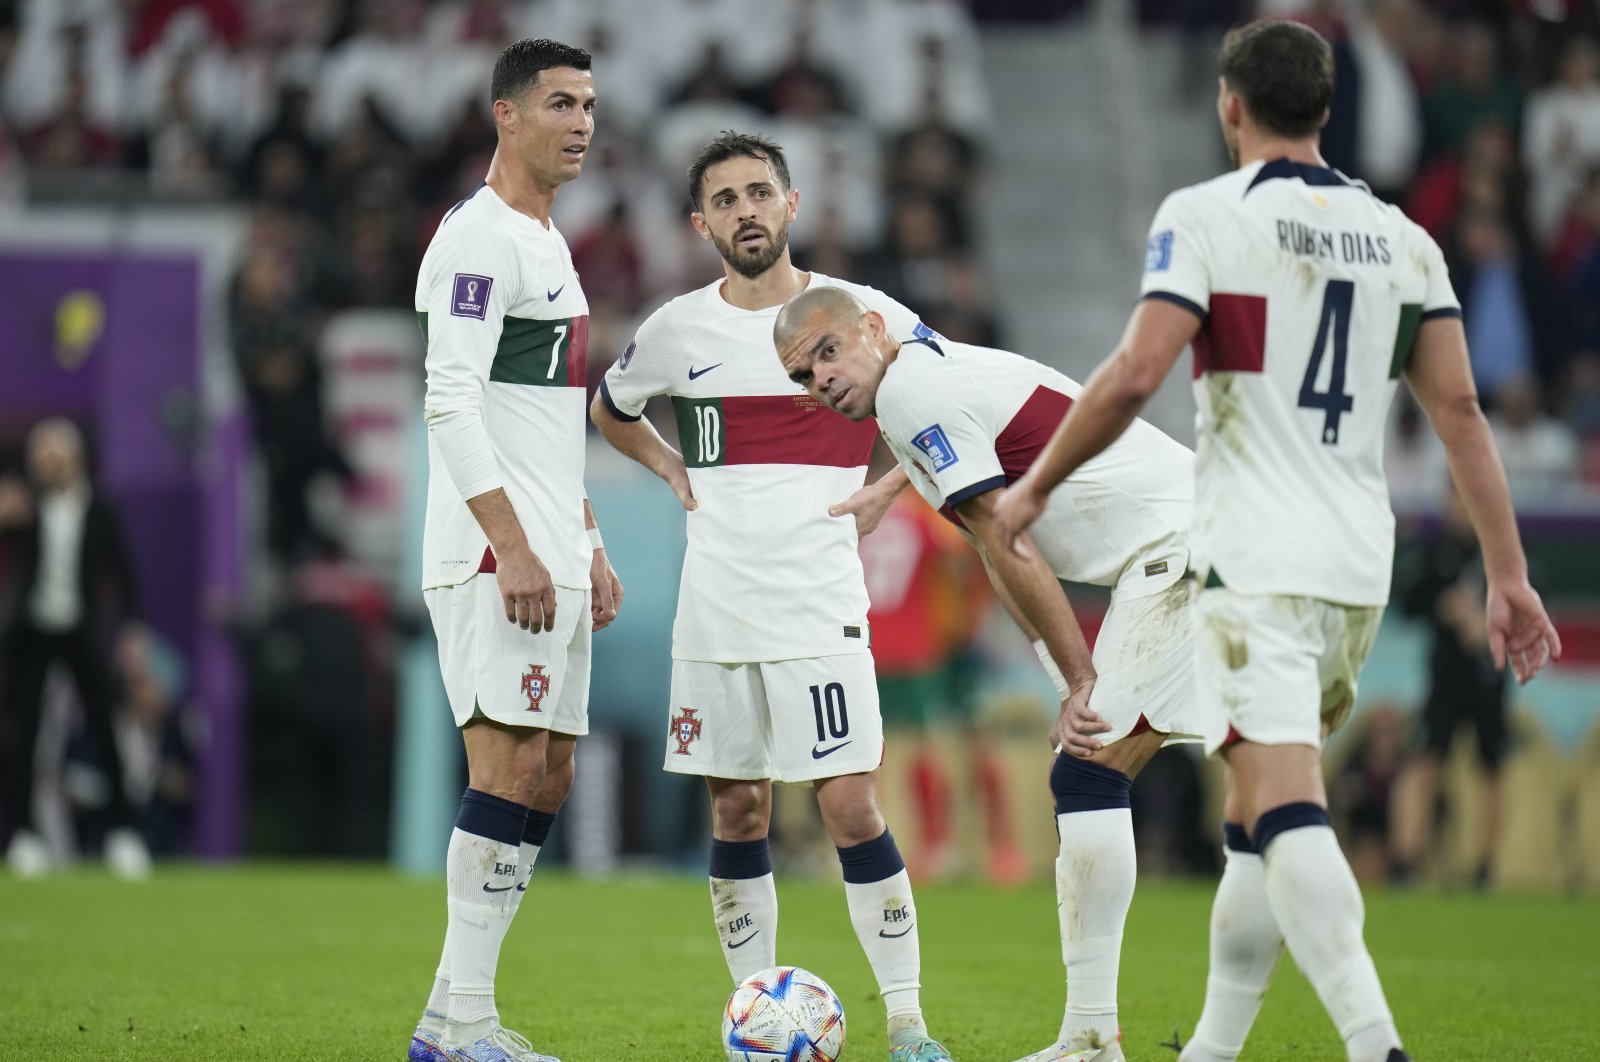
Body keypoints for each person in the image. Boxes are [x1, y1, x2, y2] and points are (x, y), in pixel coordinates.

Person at [990, 20, 1562, 1062]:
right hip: (1356, 560)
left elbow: (1130, 374)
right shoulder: (1405, 240)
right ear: (1328, 111)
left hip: (1255, 554)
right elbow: (1463, 413)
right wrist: (1508, 573)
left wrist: (1036, 487)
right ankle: (1209, 1051)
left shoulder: (1206, 216)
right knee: (1253, 810)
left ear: (1229, 107)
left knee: (1284, 800)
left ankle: (1373, 1041)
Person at [590, 130, 953, 1062]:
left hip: (819, 602)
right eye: (726, 198)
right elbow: (609, 408)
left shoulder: (860, 312)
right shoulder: (677, 329)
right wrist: (670, 466)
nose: (746, 210)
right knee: (738, 811)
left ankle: (908, 1024)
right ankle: (755, 1014)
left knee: (849, 808)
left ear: (791, 205)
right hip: (713, 609)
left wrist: (892, 482)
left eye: (761, 192)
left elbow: (949, 390)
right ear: (701, 221)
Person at [773, 285, 1204, 1062]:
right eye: (802, 377)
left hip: (1182, 548)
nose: (820, 380)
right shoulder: (923, 378)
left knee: (1091, 775)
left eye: (827, 353)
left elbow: (1007, 541)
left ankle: (1092, 1039)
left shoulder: (909, 393)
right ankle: (1105, 1036)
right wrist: (895, 479)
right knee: (1261, 789)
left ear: (872, 329)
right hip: (1202, 535)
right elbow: (991, 541)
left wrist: (1078, 682)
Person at [408, 38, 623, 1062]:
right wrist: (515, 546)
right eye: (559, 104)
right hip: (497, 550)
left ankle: (458, 1012)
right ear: (505, 114)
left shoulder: (548, 240)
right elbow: (449, 401)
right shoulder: (478, 238)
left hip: (550, 545)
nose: (582, 122)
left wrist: (585, 538)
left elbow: (543, 420)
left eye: (588, 105)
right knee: (508, 760)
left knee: (550, 771)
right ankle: (459, 1023)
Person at [0, 418, 150, 881]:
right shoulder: (26, 506)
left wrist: (132, 630)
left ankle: (123, 833)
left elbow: (125, 575)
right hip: (32, 631)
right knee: (24, 733)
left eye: (55, 453)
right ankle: (23, 835)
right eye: (40, 454)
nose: (47, 462)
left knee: (104, 725)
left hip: (81, 630)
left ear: (77, 456)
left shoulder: (100, 509)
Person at [1389, 480, 1510, 888]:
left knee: (1491, 768)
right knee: (1424, 761)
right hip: (1444, 677)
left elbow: (1534, 598)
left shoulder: (1503, 548)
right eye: (1454, 496)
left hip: (1490, 677)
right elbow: (1407, 602)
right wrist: (1444, 607)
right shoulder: (1434, 551)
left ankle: (1484, 866)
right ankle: (1406, 861)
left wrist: (1490, 621)